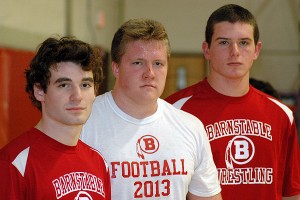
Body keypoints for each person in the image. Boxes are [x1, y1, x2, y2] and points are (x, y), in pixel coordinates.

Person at [165, 4, 300, 200]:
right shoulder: (174, 110)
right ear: (207, 49)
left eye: (244, 42)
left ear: (257, 49)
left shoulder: (281, 114)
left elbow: (292, 192)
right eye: (224, 42)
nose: (235, 51)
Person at [80, 18, 222, 199]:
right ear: (115, 68)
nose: (150, 73)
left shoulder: (190, 127)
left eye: (158, 63)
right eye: (138, 63)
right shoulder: (84, 122)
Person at [0, 36, 111, 199]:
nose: (77, 96)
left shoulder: (99, 162)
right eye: (64, 85)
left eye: (85, 85)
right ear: (39, 91)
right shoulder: (13, 163)